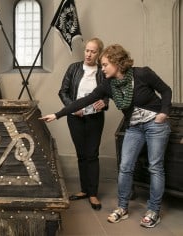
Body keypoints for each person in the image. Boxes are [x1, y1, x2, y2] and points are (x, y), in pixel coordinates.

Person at [40, 44, 172, 228]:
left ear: (117, 63)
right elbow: (84, 101)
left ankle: (153, 211)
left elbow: (166, 91)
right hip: (134, 127)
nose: (101, 69)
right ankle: (122, 207)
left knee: (155, 167)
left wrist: (164, 112)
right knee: (125, 166)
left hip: (155, 124)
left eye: (104, 65)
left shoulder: (142, 74)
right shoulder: (108, 85)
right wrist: (57, 115)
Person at [58, 38, 109, 210]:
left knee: (92, 154)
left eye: (93, 51)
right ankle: (84, 190)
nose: (88, 54)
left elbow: (109, 91)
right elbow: (63, 91)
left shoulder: (102, 71)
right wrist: (72, 108)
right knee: (81, 154)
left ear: (99, 54)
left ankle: (93, 193)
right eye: (87, 50)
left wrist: (105, 102)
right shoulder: (74, 68)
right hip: (75, 117)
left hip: (95, 118)